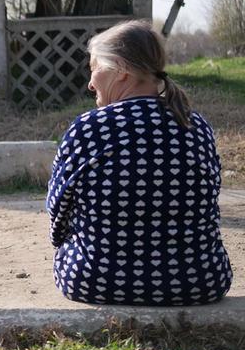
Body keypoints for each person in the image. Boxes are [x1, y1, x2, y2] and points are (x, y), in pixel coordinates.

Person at [47, 20, 232, 306]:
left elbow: (58, 218)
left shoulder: (89, 128)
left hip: (95, 280)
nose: (90, 82)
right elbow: (208, 203)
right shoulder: (197, 126)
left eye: (94, 68)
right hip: (199, 281)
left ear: (120, 70)